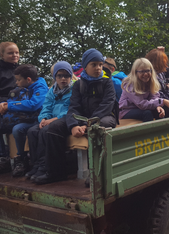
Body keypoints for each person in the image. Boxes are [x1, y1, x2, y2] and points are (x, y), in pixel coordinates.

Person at [34, 49, 117, 185]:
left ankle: (95, 172)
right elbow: (73, 107)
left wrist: (87, 125)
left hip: (103, 117)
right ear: (85, 66)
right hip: (82, 118)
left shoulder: (107, 83)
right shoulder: (78, 85)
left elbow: (106, 106)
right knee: (54, 128)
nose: (98, 68)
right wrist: (73, 125)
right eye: (94, 64)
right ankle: (56, 173)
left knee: (97, 128)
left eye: (100, 65)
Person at [0, 64, 49, 177]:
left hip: (34, 119)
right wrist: (2, 105)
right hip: (18, 118)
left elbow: (33, 105)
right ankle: (2, 159)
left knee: (17, 129)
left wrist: (9, 106)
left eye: (19, 80)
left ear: (28, 79)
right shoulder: (21, 88)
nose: (16, 82)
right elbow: (11, 101)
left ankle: (22, 159)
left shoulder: (40, 88)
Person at [25, 61, 75, 181]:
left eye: (66, 75)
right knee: (32, 131)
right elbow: (46, 106)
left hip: (64, 119)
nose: (63, 79)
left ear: (71, 76)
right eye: (59, 76)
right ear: (55, 77)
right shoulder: (52, 90)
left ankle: (44, 166)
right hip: (50, 119)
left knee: (45, 131)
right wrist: (43, 118)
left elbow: (71, 109)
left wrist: (52, 120)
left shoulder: (74, 90)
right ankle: (36, 164)